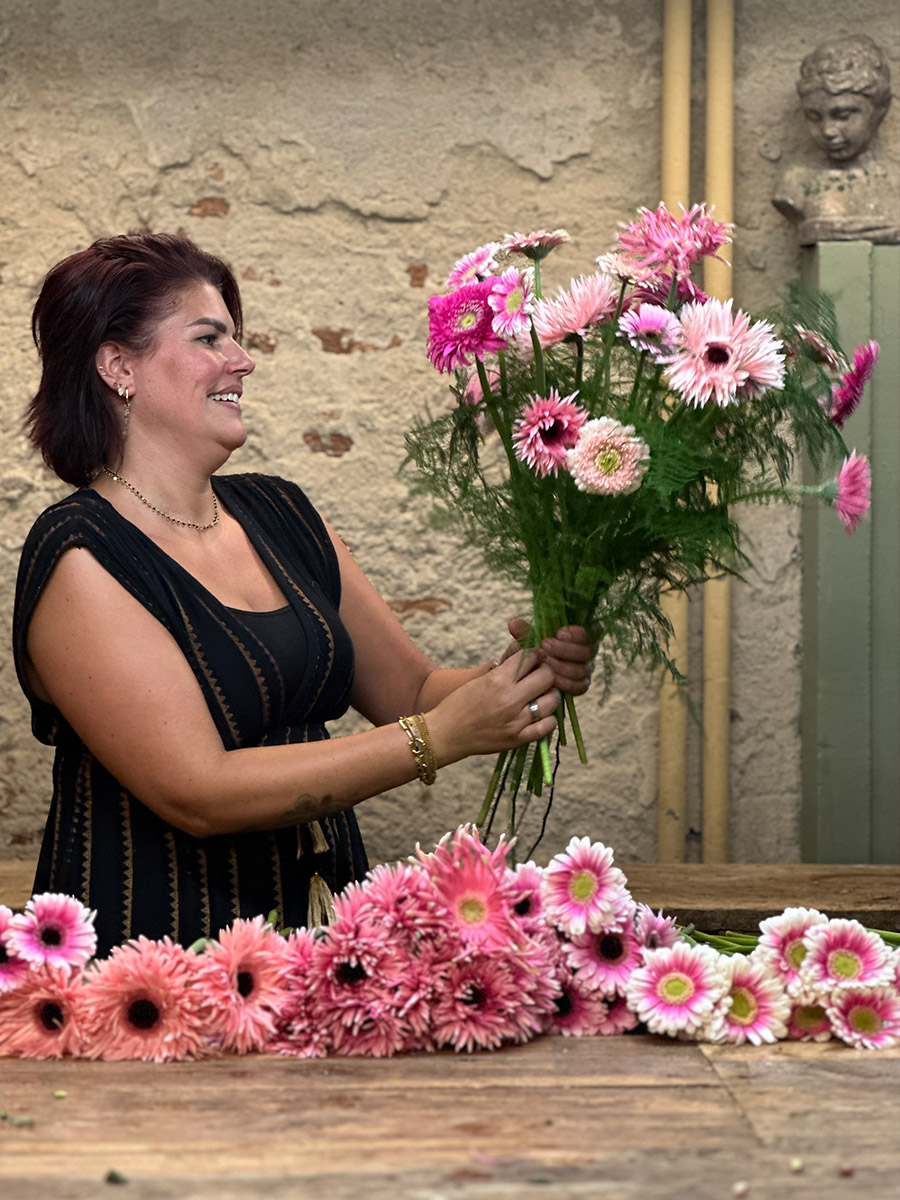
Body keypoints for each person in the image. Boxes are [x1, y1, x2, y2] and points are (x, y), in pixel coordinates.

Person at [13, 232, 591, 956]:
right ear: (118, 364)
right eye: (209, 337)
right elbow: (197, 790)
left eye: (237, 337)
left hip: (322, 949)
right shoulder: (81, 554)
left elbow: (412, 690)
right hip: (155, 962)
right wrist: (438, 741)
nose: (243, 360)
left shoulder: (282, 515)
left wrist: (519, 675)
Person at [772, 34, 899, 244]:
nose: (828, 130)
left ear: (881, 108)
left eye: (843, 116)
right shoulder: (795, 185)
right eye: (814, 117)